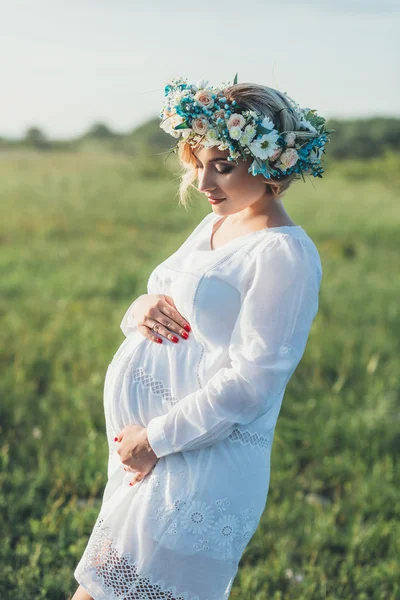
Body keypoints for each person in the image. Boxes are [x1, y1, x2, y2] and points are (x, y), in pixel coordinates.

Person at [72, 75, 333, 600]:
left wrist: (155, 439)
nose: (202, 182)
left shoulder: (283, 253)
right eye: (198, 164)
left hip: (198, 461)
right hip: (156, 453)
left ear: (270, 163)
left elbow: (250, 385)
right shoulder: (219, 223)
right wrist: (139, 309)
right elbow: (165, 294)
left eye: (223, 165)